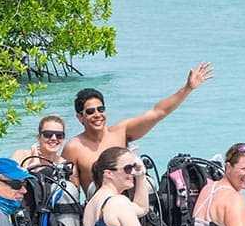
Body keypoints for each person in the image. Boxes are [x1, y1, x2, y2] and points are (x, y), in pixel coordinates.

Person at [61, 65, 214, 189]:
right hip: (99, 211)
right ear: (80, 117)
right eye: (90, 111)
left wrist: (187, 88)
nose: (97, 115)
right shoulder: (74, 148)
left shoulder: (121, 131)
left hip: (130, 204)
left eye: (101, 109)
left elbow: (157, 112)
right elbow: (70, 190)